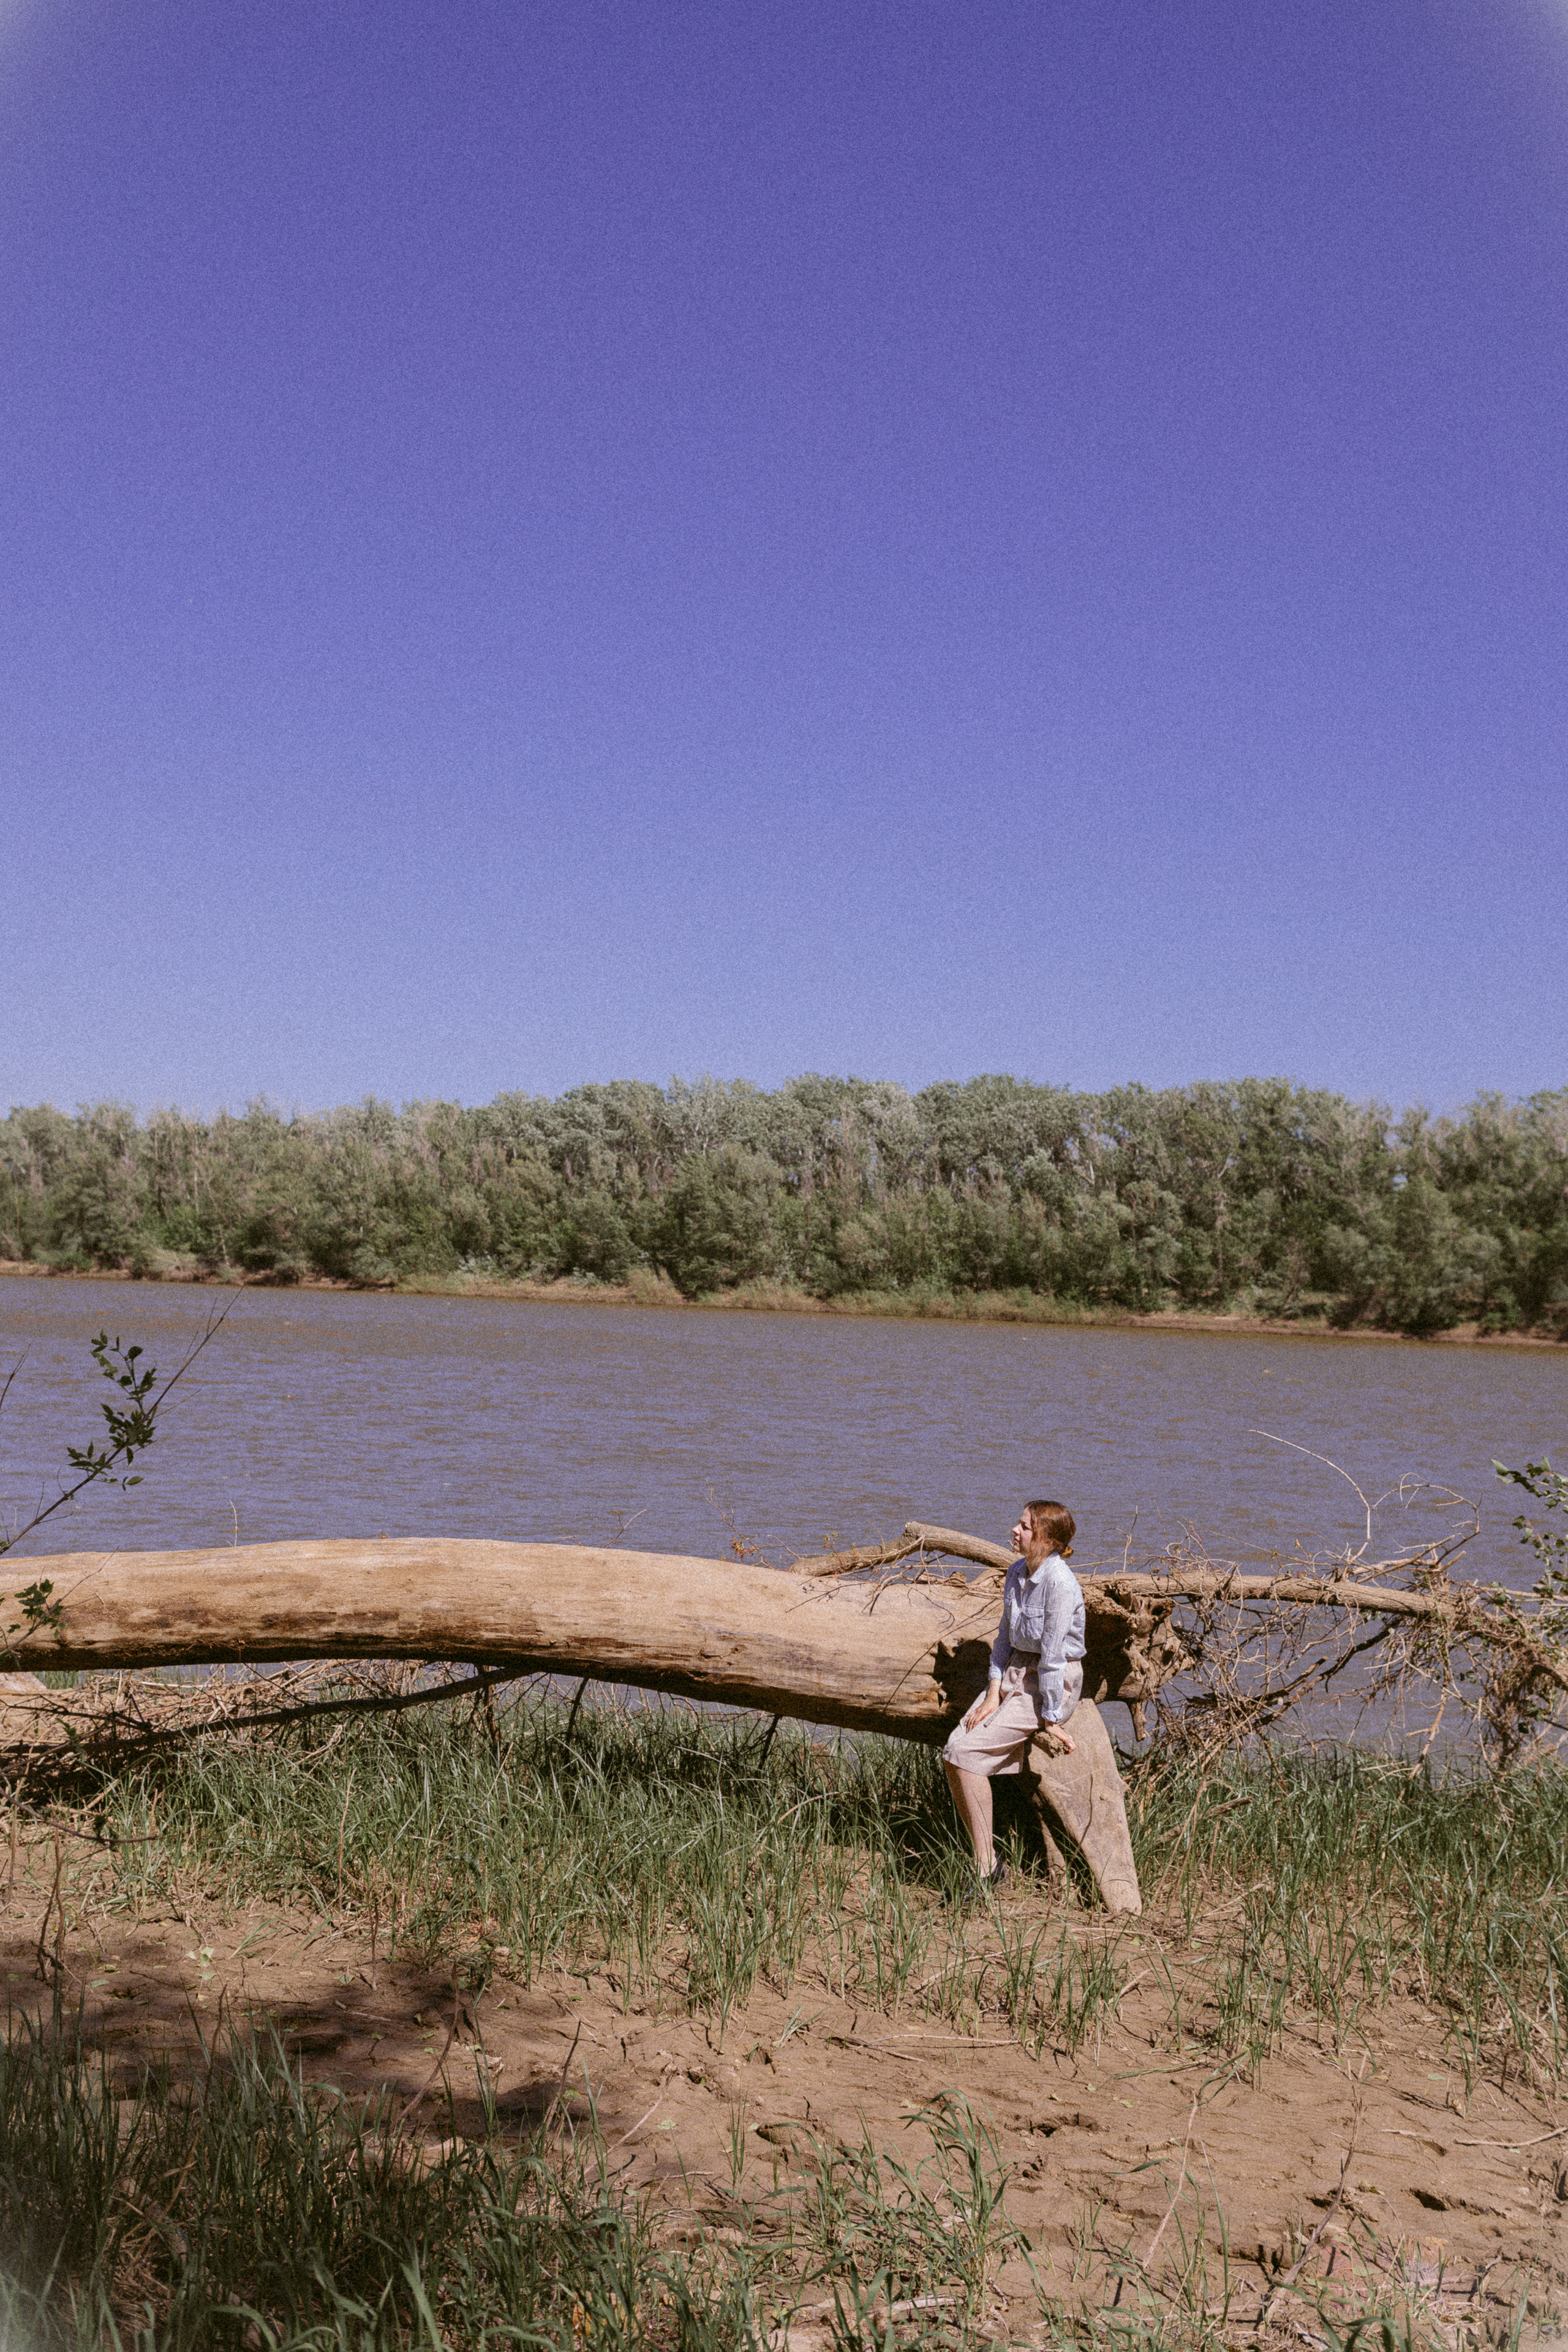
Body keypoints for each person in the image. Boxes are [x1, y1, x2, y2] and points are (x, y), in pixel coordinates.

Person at [942, 1499, 1085, 1893]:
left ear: (1049, 1540)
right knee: (955, 1750)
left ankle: (986, 1868)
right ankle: (989, 1861)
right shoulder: (1016, 1571)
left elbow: (1055, 1659)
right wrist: (992, 1694)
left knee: (965, 1755)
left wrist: (1052, 1718)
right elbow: (1003, 1640)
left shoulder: (1060, 1583)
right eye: (1019, 1524)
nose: (1015, 1531)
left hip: (1050, 1682)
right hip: (1015, 1671)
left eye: (1025, 1527)